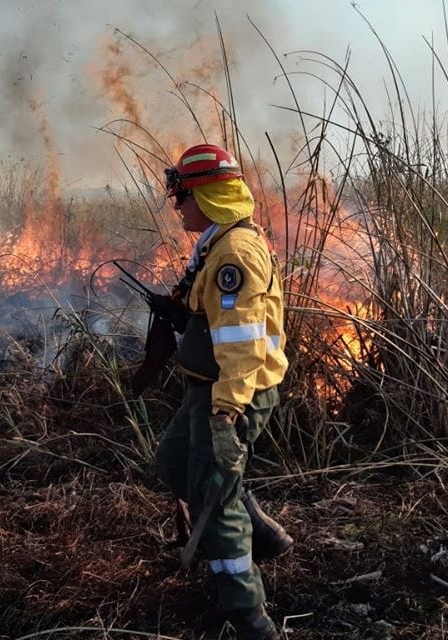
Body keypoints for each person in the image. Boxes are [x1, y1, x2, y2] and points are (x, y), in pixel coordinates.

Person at [153, 144, 290, 640]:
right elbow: (215, 317)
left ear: (207, 195)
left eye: (182, 196)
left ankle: (249, 616)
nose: (177, 206)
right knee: (173, 464)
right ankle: (266, 536)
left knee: (215, 498)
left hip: (232, 395)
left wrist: (225, 414)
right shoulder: (216, 242)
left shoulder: (234, 253)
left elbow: (243, 346)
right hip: (208, 389)